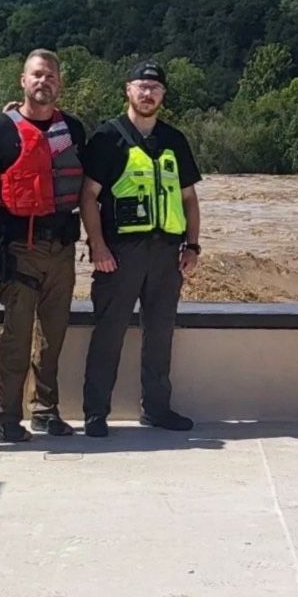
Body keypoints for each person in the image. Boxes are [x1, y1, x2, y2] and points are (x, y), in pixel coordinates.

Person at [78, 61, 202, 437]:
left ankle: (157, 409)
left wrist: (193, 246)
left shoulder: (174, 140)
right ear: (127, 91)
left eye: (155, 88)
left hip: (167, 253)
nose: (148, 94)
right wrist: (98, 246)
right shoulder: (107, 137)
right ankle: (96, 413)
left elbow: (189, 199)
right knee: (109, 332)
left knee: (160, 333)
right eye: (141, 86)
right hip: (120, 252)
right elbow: (88, 197)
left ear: (163, 95)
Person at [0, 49, 88, 441]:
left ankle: (45, 411)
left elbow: (89, 188)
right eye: (37, 75)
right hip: (18, 248)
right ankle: (6, 418)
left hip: (63, 248)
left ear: (60, 84)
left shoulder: (73, 129)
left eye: (51, 76)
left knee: (52, 337)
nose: (44, 82)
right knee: (16, 337)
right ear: (23, 81)